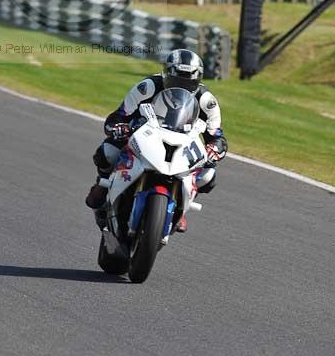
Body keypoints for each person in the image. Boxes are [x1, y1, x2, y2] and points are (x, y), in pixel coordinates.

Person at [85, 48, 228, 232]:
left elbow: (216, 136)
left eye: (188, 82)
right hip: (145, 133)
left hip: (183, 141)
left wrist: (214, 149)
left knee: (208, 176)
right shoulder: (148, 87)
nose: (182, 86)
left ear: (197, 81)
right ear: (166, 74)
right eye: (177, 80)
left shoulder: (207, 101)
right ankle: (102, 184)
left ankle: (182, 208)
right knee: (108, 151)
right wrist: (119, 127)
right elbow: (118, 116)